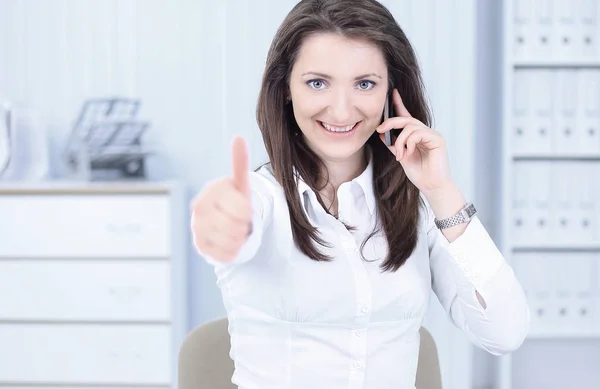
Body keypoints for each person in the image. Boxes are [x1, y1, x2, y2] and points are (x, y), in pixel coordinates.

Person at [190, 0, 529, 388]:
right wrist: (223, 221)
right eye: (318, 82)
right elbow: (231, 224)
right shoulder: (258, 200)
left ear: (390, 91)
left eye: (364, 84)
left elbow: (505, 333)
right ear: (286, 88)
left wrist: (440, 191)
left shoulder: (415, 208)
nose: (340, 109)